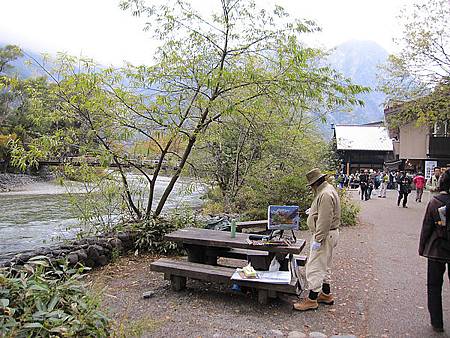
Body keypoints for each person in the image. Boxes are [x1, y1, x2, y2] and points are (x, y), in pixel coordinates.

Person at [294, 168, 340, 311]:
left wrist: (318, 239)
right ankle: (326, 294)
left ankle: (312, 299)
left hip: (324, 235)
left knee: (314, 267)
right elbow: (324, 212)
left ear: (314, 183)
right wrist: (313, 212)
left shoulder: (325, 194)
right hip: (330, 234)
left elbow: (325, 220)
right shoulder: (327, 189)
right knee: (324, 266)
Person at [419, 169, 450, 333]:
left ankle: (437, 323)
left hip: (437, 249)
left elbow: (426, 227)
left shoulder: (435, 202)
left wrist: (422, 247)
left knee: (434, 286)